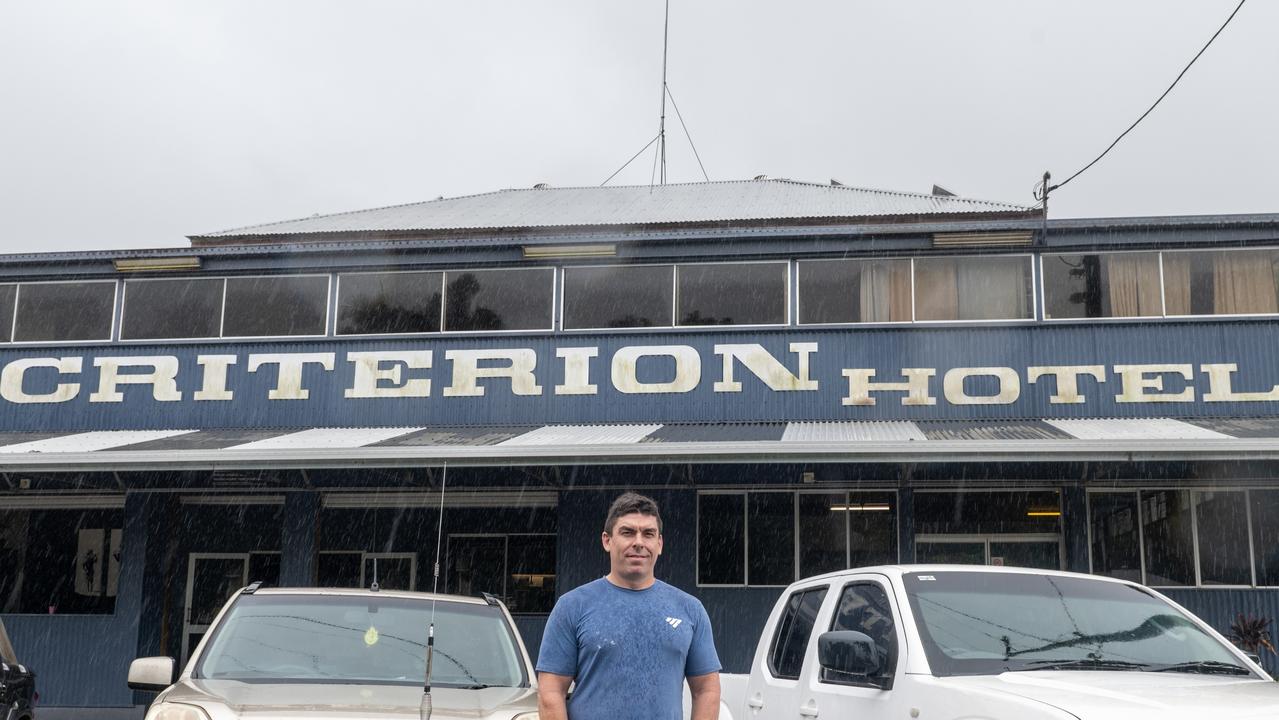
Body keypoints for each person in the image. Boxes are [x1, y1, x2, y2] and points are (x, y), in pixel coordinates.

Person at [537, 492, 721, 720]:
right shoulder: (572, 607)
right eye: (627, 532)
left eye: (648, 534)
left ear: (659, 544)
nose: (638, 542)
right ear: (607, 540)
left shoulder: (690, 610)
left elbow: (707, 690)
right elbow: (550, 692)